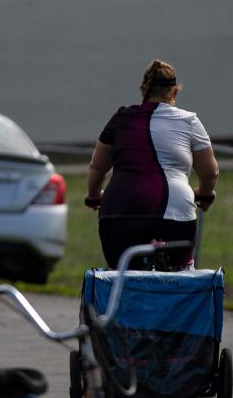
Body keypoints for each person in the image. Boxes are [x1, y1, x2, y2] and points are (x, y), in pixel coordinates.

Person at [85, 59, 219, 269]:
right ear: (174, 92)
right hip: (174, 213)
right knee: (177, 280)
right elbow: (211, 173)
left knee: (121, 278)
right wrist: (206, 193)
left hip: (119, 213)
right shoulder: (189, 121)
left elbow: (97, 167)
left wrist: (94, 196)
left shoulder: (120, 119)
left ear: (143, 91)